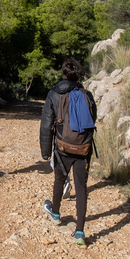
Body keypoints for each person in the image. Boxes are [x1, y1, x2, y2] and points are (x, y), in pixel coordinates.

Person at [39, 58, 97, 244]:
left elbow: (46, 124)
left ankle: (55, 213)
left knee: (59, 179)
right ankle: (79, 232)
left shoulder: (54, 93)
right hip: (83, 148)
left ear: (63, 74)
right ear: (79, 74)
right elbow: (93, 119)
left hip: (63, 146)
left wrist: (45, 151)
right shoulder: (86, 94)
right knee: (81, 187)